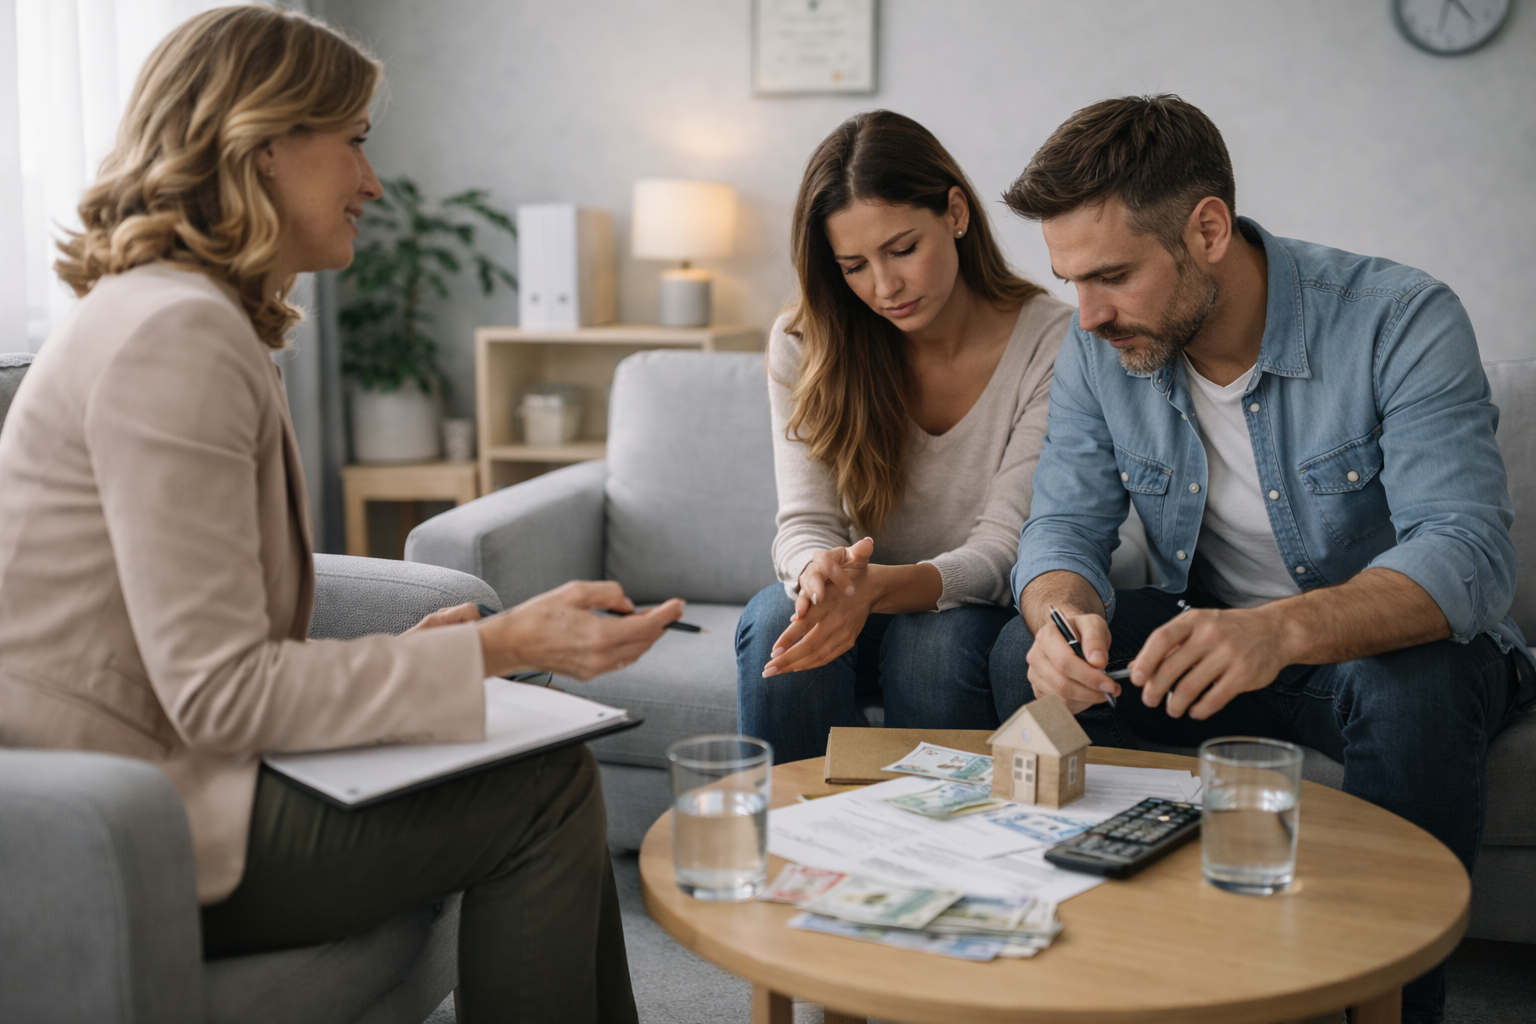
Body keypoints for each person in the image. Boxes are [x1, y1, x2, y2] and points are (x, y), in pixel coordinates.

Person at [0, 9, 680, 1022]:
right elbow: (223, 696)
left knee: (548, 766)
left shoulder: (179, 313)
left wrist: (427, 654)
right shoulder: (173, 337)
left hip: (164, 767)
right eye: (355, 141)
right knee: (538, 792)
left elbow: (206, 647)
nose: (372, 181)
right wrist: (493, 647)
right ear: (261, 145)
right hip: (115, 819)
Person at [991, 94, 1531, 1024]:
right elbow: (1063, 531)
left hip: (1389, 656)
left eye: (1112, 275)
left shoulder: (1400, 318)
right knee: (1016, 656)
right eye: (1069, 279)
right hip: (1217, 653)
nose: (1085, 315)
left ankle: (1397, 1005)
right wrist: (1058, 616)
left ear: (1207, 229)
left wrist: (1277, 630)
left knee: (1418, 693)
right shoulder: (1095, 349)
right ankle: (1129, 975)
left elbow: (1468, 551)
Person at [736, 110, 1073, 763]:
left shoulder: (1052, 343)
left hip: (970, 605)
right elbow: (804, 523)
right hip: (856, 606)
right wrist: (819, 577)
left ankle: (939, 855)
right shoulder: (806, 341)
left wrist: (881, 589)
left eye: (901, 250)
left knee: (932, 643)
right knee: (778, 618)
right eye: (854, 265)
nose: (884, 287)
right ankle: (795, 847)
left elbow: (1006, 547)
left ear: (955, 212)